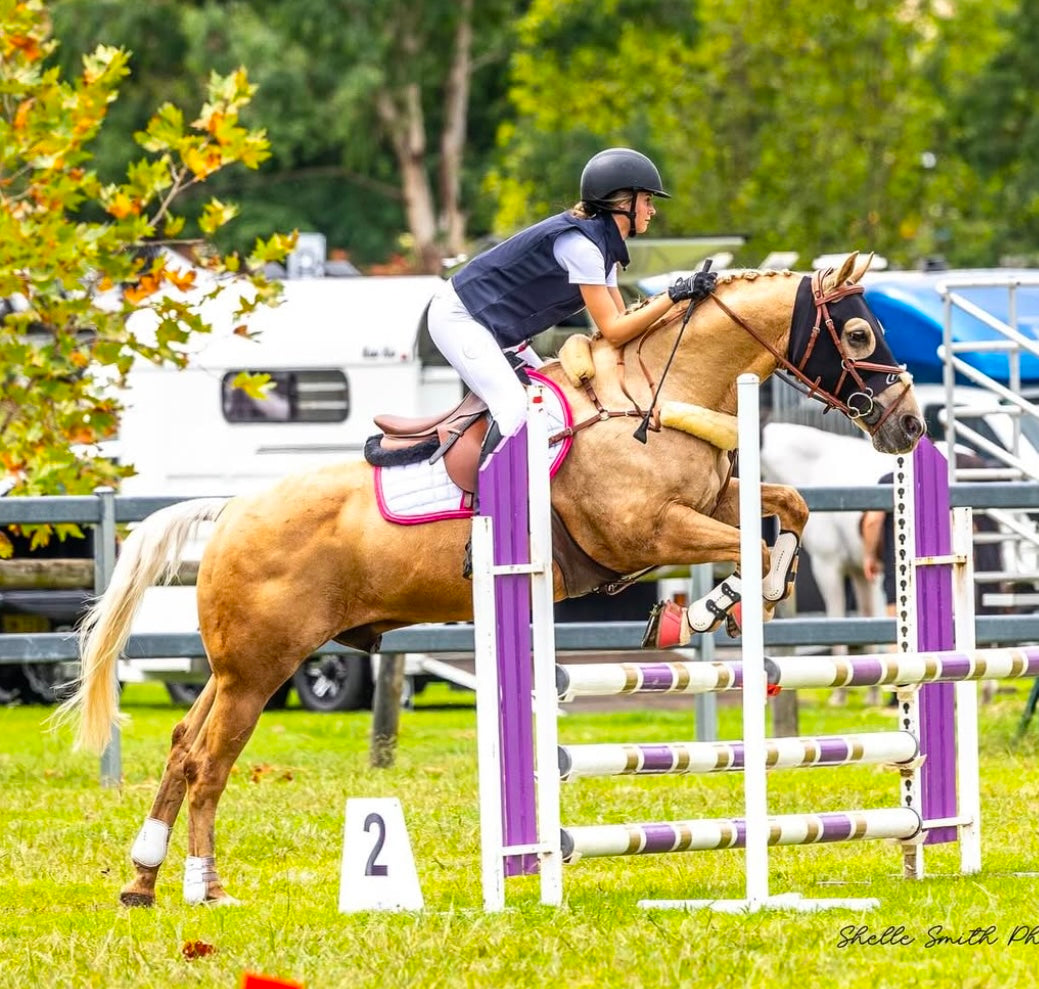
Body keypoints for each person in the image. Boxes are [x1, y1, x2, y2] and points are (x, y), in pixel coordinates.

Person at [426, 147, 716, 459]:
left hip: (498, 331)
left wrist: (680, 301)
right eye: (647, 200)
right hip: (460, 317)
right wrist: (673, 295)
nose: (652, 210)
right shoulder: (583, 249)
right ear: (623, 203)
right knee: (515, 410)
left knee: (557, 407)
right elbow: (614, 331)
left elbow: (623, 323)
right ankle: (488, 491)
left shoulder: (603, 251)